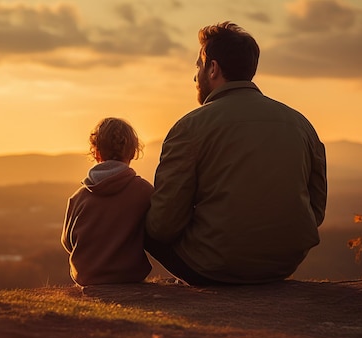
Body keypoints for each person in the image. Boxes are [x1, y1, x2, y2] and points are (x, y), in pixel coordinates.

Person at [145, 22, 327, 285]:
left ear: (213, 68)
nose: (195, 77)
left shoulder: (189, 127)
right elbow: (316, 210)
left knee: (135, 212)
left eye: (198, 66)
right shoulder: (301, 124)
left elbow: (162, 226)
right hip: (283, 263)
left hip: (213, 267)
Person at [61, 117, 153, 286]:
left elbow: (68, 241)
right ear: (133, 152)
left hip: (87, 279)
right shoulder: (144, 191)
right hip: (130, 277)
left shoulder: (79, 197)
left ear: (96, 153)